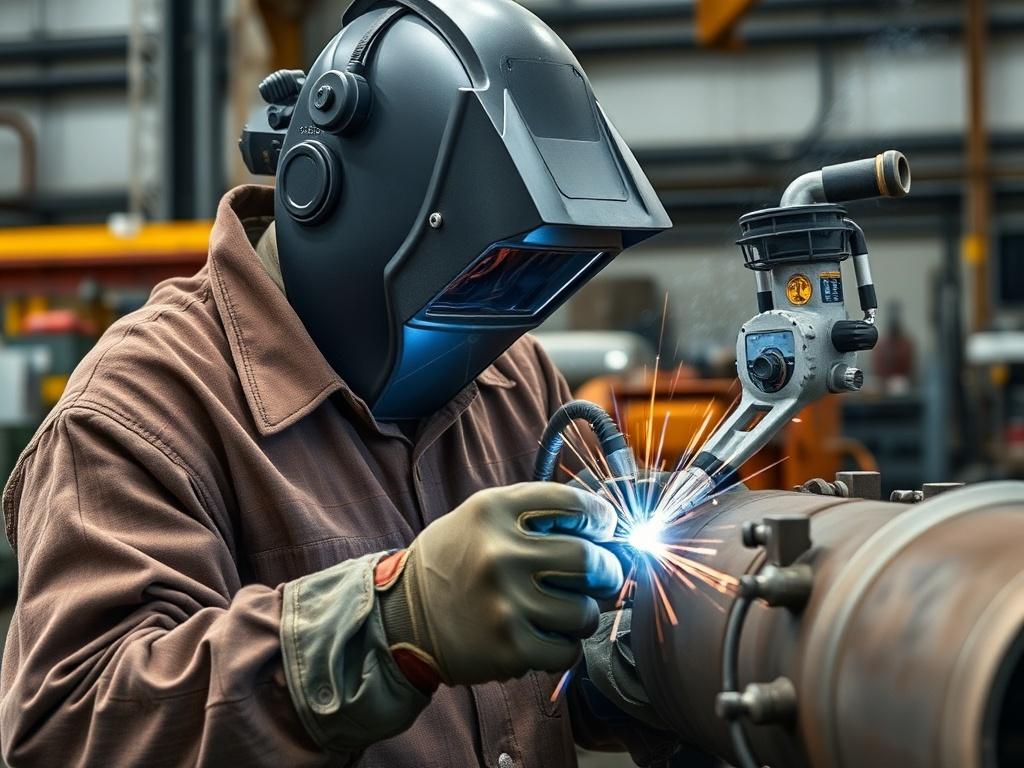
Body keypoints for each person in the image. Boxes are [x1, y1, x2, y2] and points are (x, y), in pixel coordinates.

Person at [0, 1, 681, 765]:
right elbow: (76, 726)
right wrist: (392, 624)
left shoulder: (514, 380)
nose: (501, 318)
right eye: (487, 271)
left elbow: (561, 676)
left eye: (531, 282)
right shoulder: (141, 411)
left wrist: (638, 647)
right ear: (319, 192)